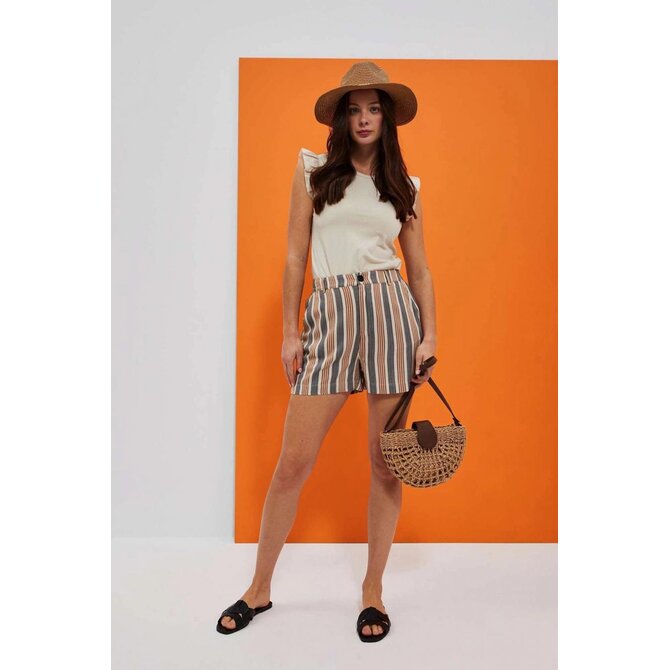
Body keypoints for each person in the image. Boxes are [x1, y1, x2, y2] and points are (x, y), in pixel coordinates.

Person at [217, 61, 438, 642]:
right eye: (355, 109)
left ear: (386, 118)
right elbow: (295, 255)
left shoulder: (405, 187)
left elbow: (419, 269)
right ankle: (259, 588)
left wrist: (430, 335)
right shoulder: (313, 170)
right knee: (292, 464)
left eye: (374, 109)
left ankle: (373, 591)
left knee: (385, 462)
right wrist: (290, 332)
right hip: (331, 316)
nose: (364, 119)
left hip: (391, 313)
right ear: (342, 118)